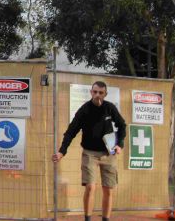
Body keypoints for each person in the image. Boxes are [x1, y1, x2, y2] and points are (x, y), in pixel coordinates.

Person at [52, 81, 126, 221]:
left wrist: (119, 145)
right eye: (95, 92)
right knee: (90, 187)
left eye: (100, 92)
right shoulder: (84, 110)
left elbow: (122, 126)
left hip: (108, 153)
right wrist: (62, 151)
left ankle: (106, 218)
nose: (97, 95)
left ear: (105, 94)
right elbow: (71, 131)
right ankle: (87, 218)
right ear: (91, 92)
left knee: (108, 189)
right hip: (89, 153)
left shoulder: (109, 108)